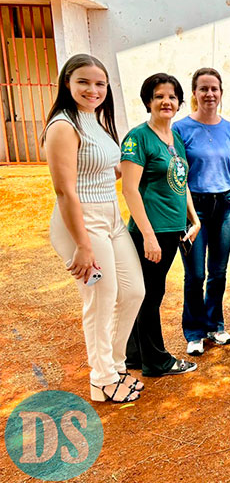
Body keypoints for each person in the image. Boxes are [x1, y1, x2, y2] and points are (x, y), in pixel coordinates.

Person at [45, 54, 145, 402]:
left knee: (133, 292)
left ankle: (115, 365)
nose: (93, 89)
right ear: (67, 84)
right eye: (84, 82)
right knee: (101, 300)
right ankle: (102, 380)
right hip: (82, 223)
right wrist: (83, 245)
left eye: (99, 83)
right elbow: (64, 190)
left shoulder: (95, 122)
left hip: (111, 219)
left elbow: (109, 170)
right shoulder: (63, 126)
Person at [121, 73, 201, 376]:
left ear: (179, 102)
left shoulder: (174, 137)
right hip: (152, 230)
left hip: (172, 229)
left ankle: (135, 355)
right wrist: (148, 236)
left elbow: (182, 181)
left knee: (147, 292)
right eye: (159, 96)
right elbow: (130, 189)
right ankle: (157, 361)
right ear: (147, 102)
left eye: (171, 96)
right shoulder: (138, 137)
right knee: (150, 295)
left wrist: (193, 217)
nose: (166, 101)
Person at [173, 68, 230, 356]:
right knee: (195, 275)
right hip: (194, 209)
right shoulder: (180, 129)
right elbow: (177, 174)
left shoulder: (229, 128)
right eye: (203, 89)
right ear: (194, 93)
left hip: (225, 205)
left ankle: (215, 324)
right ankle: (194, 331)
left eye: (214, 88)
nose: (209, 94)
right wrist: (188, 215)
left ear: (221, 93)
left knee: (217, 272)